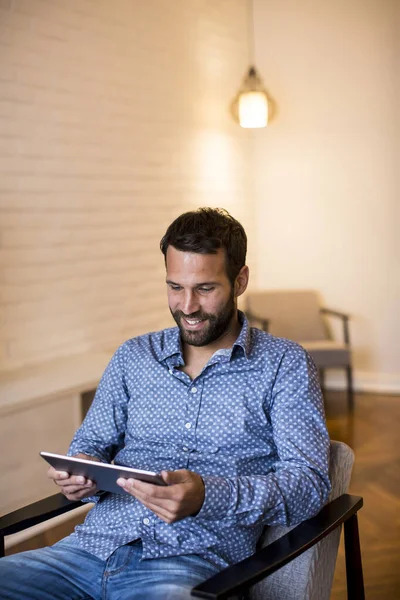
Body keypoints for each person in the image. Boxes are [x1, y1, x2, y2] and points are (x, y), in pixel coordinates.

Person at [0, 208, 331, 600]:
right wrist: (79, 476)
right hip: (86, 551)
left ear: (240, 280)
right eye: (175, 287)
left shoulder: (283, 365)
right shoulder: (133, 357)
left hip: (189, 564)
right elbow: (89, 445)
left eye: (205, 289)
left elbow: (309, 485)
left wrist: (208, 495)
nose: (187, 307)